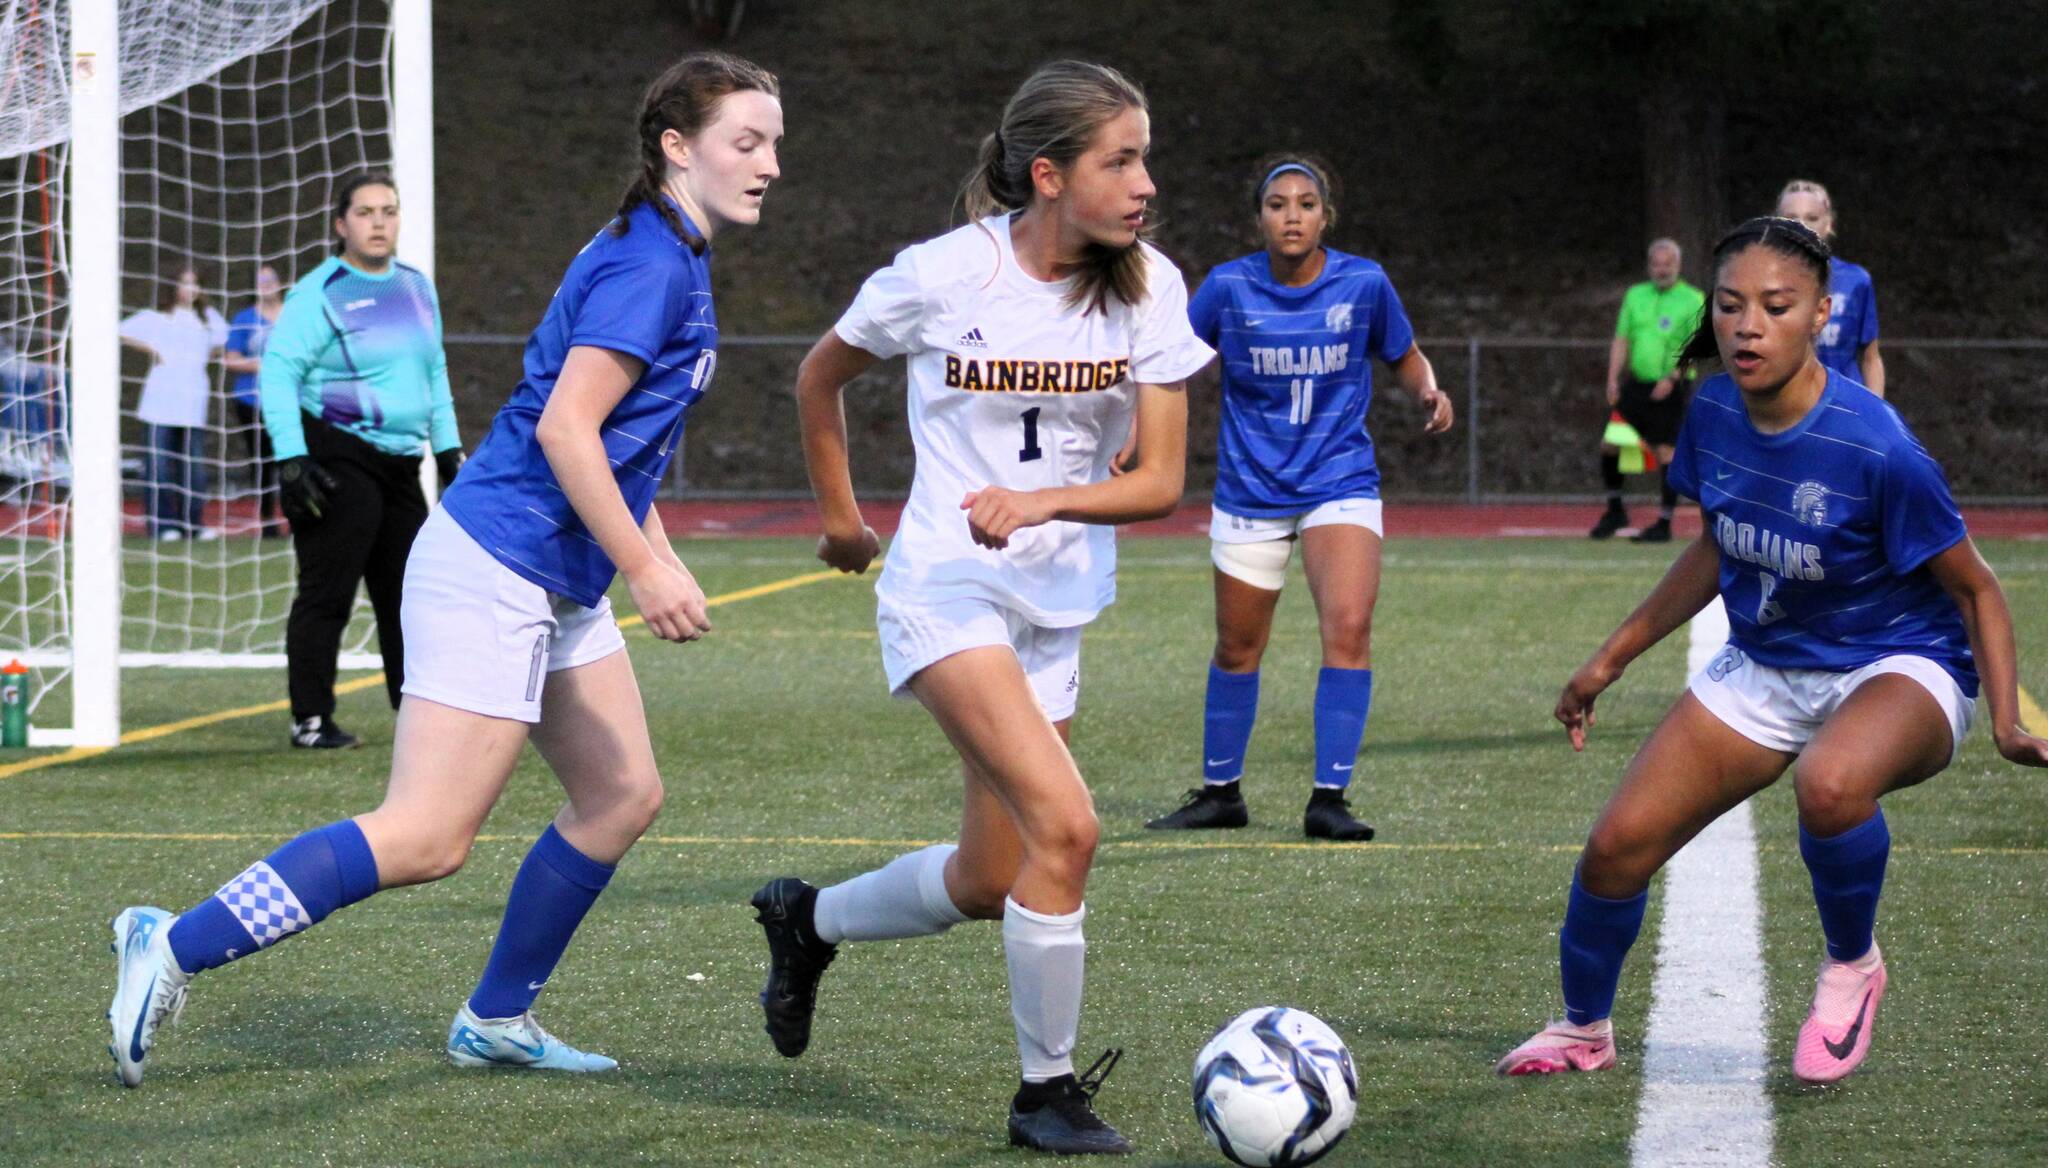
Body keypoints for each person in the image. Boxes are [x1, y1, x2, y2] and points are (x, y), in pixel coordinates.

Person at [103, 50, 779, 1087]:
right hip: (496, 563)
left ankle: (496, 1015)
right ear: (675, 148)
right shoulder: (649, 264)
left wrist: (639, 550)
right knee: (425, 836)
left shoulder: (666, 252)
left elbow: (613, 440)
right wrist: (645, 566)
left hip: (550, 573)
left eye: (774, 141)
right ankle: (171, 939)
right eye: (747, 140)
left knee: (621, 794)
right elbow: (566, 428)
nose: (770, 161)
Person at [751, 61, 1211, 1155]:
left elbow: (1156, 483)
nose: (1144, 181)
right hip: (942, 586)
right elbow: (819, 378)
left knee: (991, 876)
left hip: (1055, 604)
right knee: (1069, 826)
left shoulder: (1150, 286)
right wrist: (840, 520)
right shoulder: (940, 275)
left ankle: (803, 920)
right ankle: (1042, 1094)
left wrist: (1045, 497)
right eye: (1120, 159)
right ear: (1047, 175)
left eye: (1145, 156)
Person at [1496, 217, 2048, 1083]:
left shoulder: (1879, 446)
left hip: (1899, 662)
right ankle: (1582, 1030)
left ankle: (1852, 965)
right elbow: (1719, 545)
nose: (1748, 325)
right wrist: (1611, 658)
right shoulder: (1712, 409)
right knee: (1615, 849)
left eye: (1776, 306)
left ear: (1822, 315)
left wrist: (2010, 720)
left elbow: (1978, 586)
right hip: (1769, 662)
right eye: (1730, 305)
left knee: (1831, 783)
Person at [1142, 155, 1453, 841]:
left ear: (1325, 215)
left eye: (1306, 203)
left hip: (1338, 480)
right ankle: (1222, 792)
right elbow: (1170, 368)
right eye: (1277, 204)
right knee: (1236, 648)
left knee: (1347, 629)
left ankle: (1329, 799)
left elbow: (1404, 354)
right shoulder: (1226, 288)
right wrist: (1128, 435)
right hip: (1250, 488)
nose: (1292, 215)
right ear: (1259, 217)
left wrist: (1427, 390)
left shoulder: (1364, 283)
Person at [259, 172, 464, 749]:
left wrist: (447, 450)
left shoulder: (417, 288)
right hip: (337, 456)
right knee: (329, 591)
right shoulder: (321, 292)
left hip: (402, 465)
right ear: (341, 224)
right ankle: (311, 719)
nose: (379, 222)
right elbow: (279, 374)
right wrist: (292, 460)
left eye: (389, 211)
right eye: (366, 212)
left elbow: (433, 372)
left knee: (409, 594)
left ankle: (417, 712)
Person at [1587, 239, 1705, 543]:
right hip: (1636, 385)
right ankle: (1615, 510)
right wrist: (1613, 378)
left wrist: (1672, 376)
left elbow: (1697, 343)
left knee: (1666, 451)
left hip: (1672, 385)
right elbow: (1622, 338)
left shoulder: (1692, 299)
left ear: (1677, 266)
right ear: (1650, 266)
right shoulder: (1635, 295)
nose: (1662, 269)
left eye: (1668, 264)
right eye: (1657, 264)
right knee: (1610, 444)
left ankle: (1664, 523)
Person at [119, 264, 228, 540]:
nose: (190, 289)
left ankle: (193, 524)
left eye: (194, 283)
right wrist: (152, 348)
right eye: (184, 283)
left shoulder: (209, 319)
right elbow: (118, 331)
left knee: (193, 468)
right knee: (158, 467)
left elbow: (224, 343)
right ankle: (163, 525)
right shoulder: (156, 318)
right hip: (159, 405)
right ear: (174, 287)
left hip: (192, 404)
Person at [1776, 179, 1884, 397]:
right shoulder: (1762, 280)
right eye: (1791, 218)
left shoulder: (1856, 280)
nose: (1802, 225)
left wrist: (1876, 416)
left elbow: (1871, 358)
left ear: (1828, 223)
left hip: (1844, 404)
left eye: (1812, 218)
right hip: (1785, 406)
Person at [222, 264, 286, 537]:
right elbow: (230, 359)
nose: (266, 284)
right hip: (251, 400)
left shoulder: (293, 315)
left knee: (289, 458)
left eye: (271, 279)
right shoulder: (244, 318)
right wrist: (265, 365)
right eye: (261, 280)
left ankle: (297, 514)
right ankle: (267, 518)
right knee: (262, 460)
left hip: (289, 399)